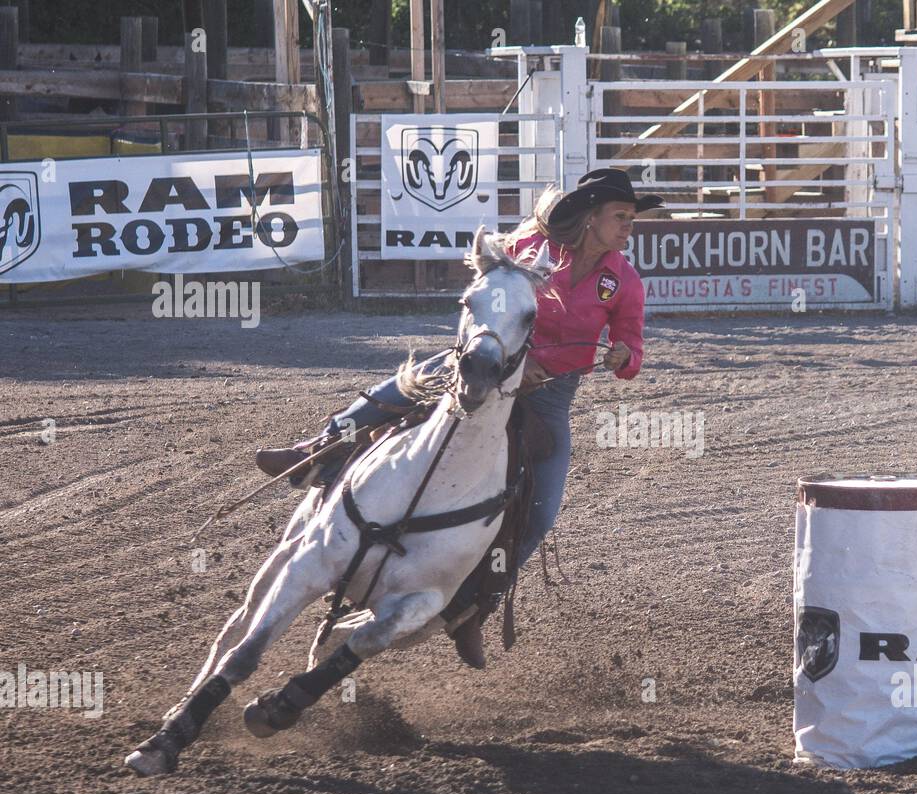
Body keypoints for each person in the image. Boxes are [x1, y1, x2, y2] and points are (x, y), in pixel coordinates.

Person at [253, 168, 663, 662]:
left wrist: (624, 356)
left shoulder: (624, 280)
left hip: (550, 396)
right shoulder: (531, 246)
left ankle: (469, 608)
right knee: (401, 389)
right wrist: (517, 358)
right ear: (591, 216)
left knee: (539, 514)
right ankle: (318, 450)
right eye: (620, 217)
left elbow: (633, 349)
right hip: (488, 367)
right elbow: (490, 294)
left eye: (631, 219)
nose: (627, 228)